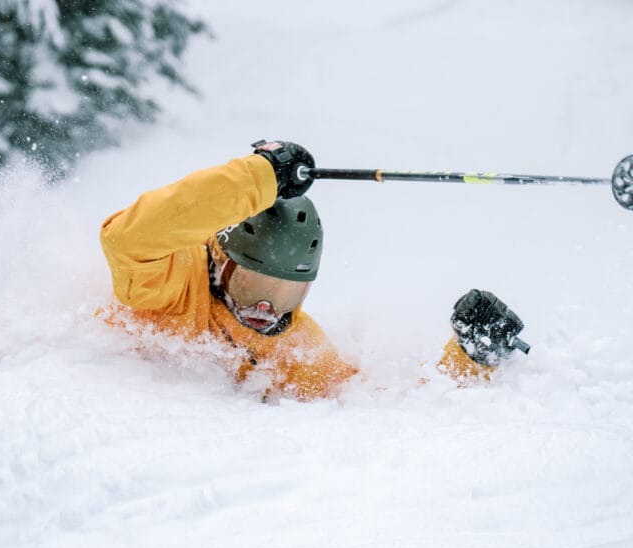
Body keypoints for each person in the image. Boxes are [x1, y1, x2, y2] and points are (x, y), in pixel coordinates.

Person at [100, 140, 528, 401]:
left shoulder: (295, 344)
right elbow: (127, 239)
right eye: (254, 285)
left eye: (288, 294)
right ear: (222, 260)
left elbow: (375, 412)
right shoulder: (174, 284)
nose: (267, 308)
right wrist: (260, 177)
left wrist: (474, 357)